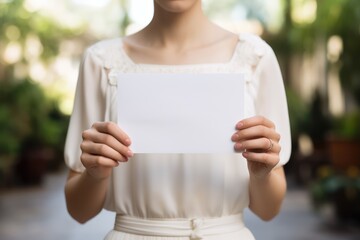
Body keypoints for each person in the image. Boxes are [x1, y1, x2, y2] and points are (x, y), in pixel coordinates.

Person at [64, 0, 291, 239]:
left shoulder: (255, 58)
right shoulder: (100, 62)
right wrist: (95, 174)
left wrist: (261, 174)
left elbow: (268, 210)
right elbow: (79, 211)